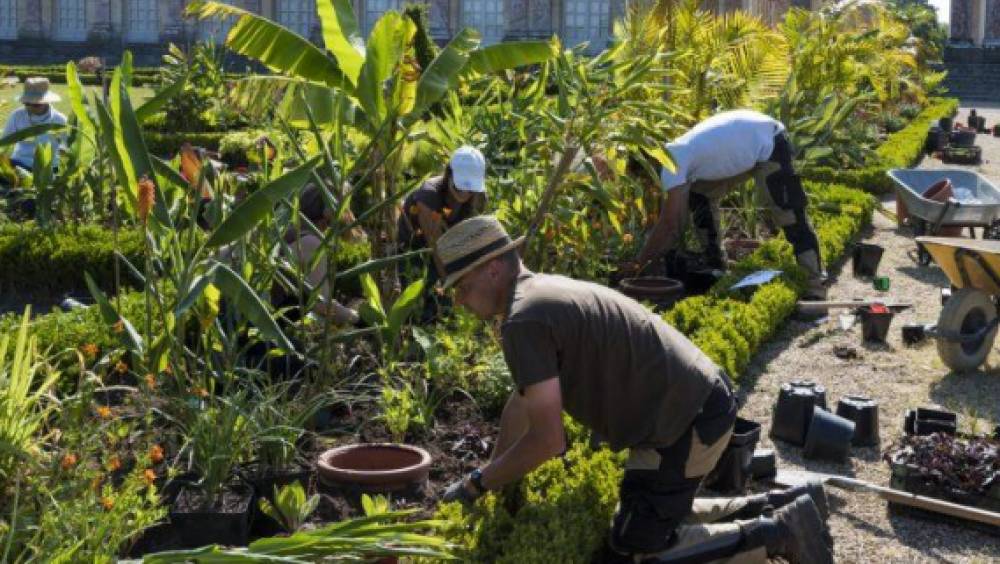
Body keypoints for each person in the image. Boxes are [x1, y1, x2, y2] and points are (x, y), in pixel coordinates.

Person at [436, 215, 834, 564]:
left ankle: (782, 533)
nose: (458, 301)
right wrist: (497, 478)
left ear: (491, 270)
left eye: (461, 287)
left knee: (637, 551)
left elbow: (547, 440)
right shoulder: (539, 294)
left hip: (682, 426)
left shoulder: (523, 321)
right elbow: (521, 405)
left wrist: (476, 483)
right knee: (644, 519)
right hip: (690, 410)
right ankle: (787, 505)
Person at [623, 110, 826, 299]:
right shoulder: (675, 152)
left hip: (770, 142)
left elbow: (671, 225)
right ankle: (716, 265)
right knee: (699, 194)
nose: (649, 186)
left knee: (789, 215)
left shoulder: (671, 164)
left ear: (648, 167)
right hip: (750, 137)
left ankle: (814, 287)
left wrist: (639, 265)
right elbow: (676, 217)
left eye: (644, 180)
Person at [397, 145, 488, 318]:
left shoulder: (479, 198)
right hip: (417, 252)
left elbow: (475, 235)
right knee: (424, 309)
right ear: (449, 174)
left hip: (452, 248)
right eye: (461, 186)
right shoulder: (429, 195)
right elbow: (437, 248)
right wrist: (452, 286)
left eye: (471, 189)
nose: (465, 193)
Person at [2, 77, 67, 171]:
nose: (31, 107)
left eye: (36, 104)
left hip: (48, 169)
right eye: (27, 103)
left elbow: (66, 148)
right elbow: (5, 142)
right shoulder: (17, 115)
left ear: (46, 102)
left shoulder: (60, 120)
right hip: (19, 163)